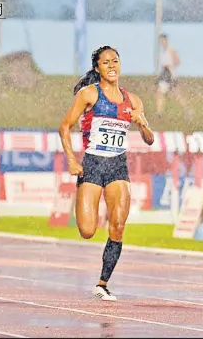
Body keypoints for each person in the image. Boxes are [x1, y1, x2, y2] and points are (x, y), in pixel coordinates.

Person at [59, 45, 155, 301]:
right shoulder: (88, 94)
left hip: (117, 166)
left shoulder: (133, 100)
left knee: (119, 225)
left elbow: (149, 140)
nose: (112, 66)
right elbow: (65, 127)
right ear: (97, 68)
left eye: (116, 61)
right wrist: (71, 160)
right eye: (106, 63)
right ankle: (91, 206)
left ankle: (102, 283)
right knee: (88, 230)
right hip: (92, 164)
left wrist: (141, 122)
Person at [155, 33, 192, 119]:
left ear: (166, 40)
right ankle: (159, 113)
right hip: (164, 74)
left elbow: (178, 61)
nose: (162, 43)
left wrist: (169, 65)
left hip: (170, 74)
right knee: (160, 93)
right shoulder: (162, 52)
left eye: (163, 40)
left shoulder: (171, 50)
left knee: (176, 95)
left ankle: (187, 110)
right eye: (160, 41)